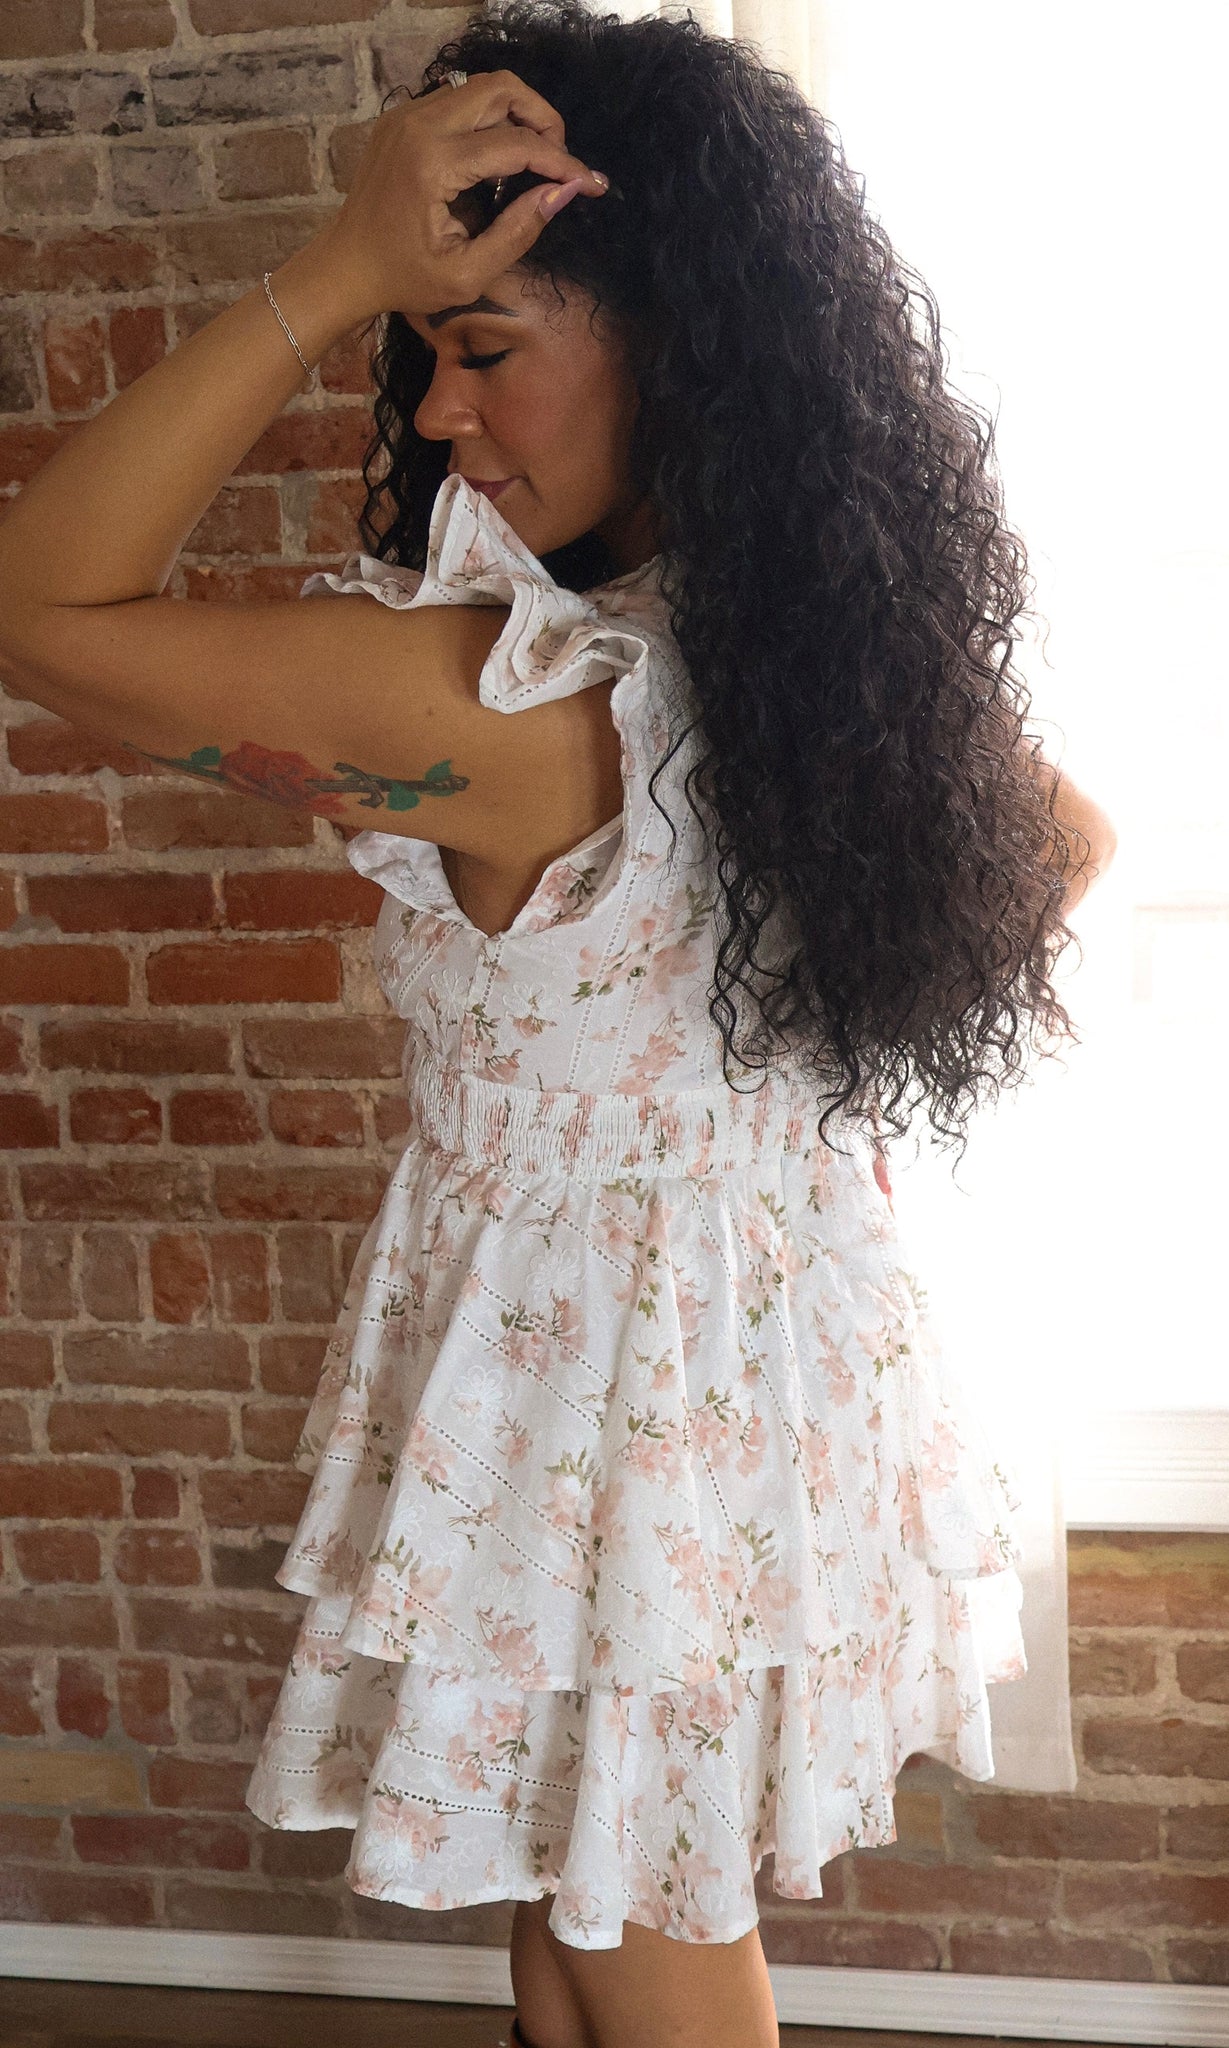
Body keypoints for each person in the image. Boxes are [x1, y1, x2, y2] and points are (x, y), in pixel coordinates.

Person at [0, 4, 1117, 2044]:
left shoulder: (532, 715)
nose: (438, 411)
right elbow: (1068, 840)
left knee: (646, 1921)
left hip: (600, 1392)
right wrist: (749, 1071)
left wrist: (337, 264)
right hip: (749, 1354)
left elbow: (39, 605)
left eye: (482, 345)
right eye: (421, 348)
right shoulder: (803, 660)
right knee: (576, 1877)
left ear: (676, 352)